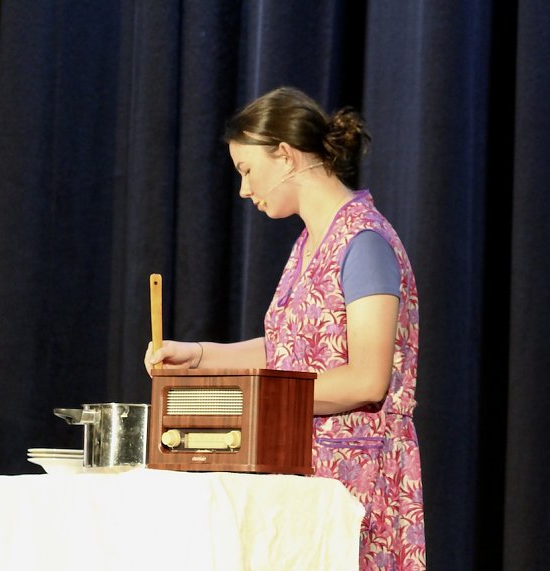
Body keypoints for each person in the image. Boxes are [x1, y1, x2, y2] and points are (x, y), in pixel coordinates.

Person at [144, 87, 425, 571]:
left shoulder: (364, 243)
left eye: (247, 171)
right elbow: (288, 351)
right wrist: (200, 356)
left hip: (353, 482)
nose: (244, 190)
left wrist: (253, 401)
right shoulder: (308, 244)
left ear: (286, 155)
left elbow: (366, 379)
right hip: (301, 476)